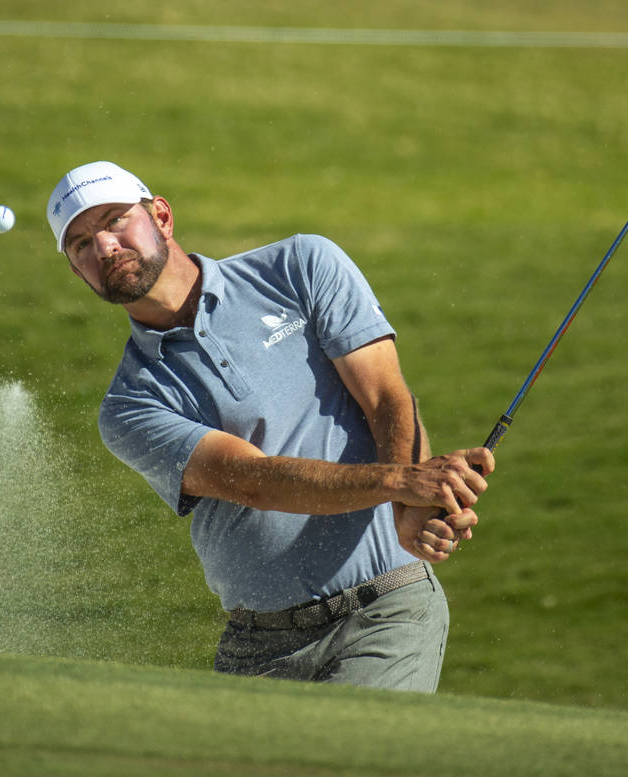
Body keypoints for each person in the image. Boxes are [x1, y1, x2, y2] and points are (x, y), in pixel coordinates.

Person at [46, 160, 494, 692]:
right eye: (80, 244)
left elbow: (385, 395)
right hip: (256, 645)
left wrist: (412, 509)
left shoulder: (300, 265)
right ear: (77, 272)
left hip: (385, 610)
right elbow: (254, 481)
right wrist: (401, 483)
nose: (103, 247)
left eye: (116, 220)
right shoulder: (129, 404)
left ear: (162, 216)